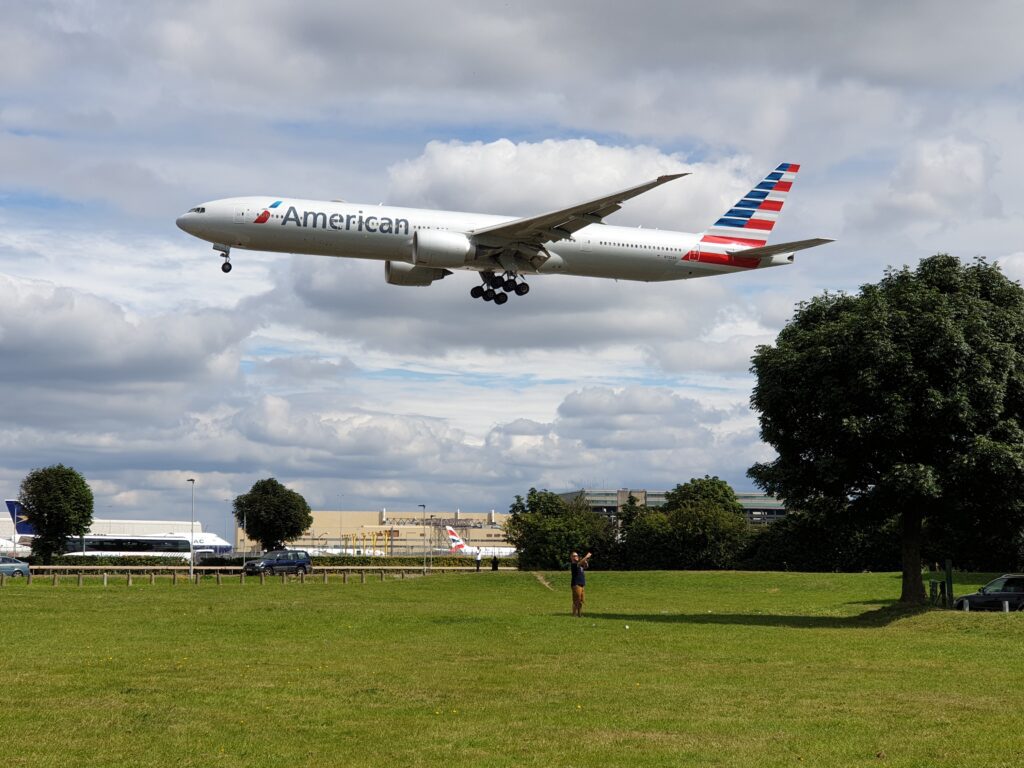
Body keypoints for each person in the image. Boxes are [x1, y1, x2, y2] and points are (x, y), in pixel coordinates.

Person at [569, 551, 592, 617]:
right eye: (574, 556)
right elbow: (580, 563)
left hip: (581, 584)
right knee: (576, 600)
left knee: (581, 600)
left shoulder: (579, 565)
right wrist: (587, 556)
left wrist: (586, 561)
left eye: (576, 555)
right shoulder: (574, 564)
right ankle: (574, 614)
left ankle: (579, 614)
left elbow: (586, 566)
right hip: (576, 584)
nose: (576, 557)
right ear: (571, 557)